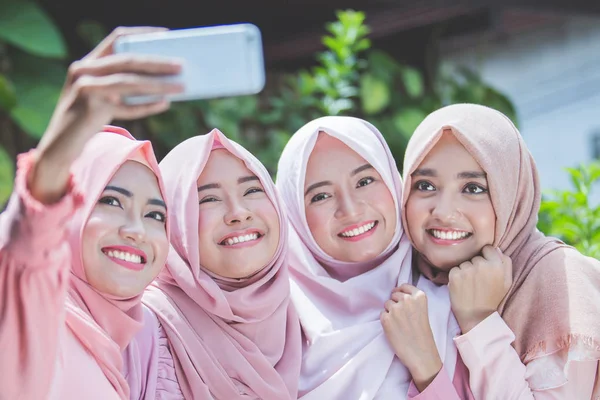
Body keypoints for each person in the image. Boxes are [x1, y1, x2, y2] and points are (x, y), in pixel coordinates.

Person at [0, 26, 183, 399]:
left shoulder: (143, 344)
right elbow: (27, 247)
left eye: (155, 215)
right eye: (110, 201)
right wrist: (57, 154)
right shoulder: (30, 316)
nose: (137, 230)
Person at [402, 103, 600, 398]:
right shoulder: (404, 285)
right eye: (426, 185)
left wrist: (479, 323)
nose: (443, 211)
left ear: (512, 192)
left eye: (473, 188)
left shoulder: (560, 280)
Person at [275, 116, 472, 399]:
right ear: (294, 215)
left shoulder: (462, 304)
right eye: (320, 196)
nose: (351, 209)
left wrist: (427, 366)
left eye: (365, 181)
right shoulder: (277, 328)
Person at [143, 129, 302, 400]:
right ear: (175, 221)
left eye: (252, 190)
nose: (239, 214)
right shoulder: (146, 330)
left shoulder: (306, 321)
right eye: (209, 199)